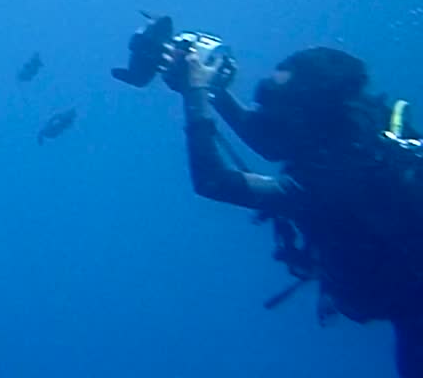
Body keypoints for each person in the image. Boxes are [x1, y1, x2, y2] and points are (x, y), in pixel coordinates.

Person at [166, 46, 423, 377]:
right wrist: (214, 90)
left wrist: (195, 93)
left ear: (303, 111)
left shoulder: (327, 183)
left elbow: (214, 182)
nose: (265, 109)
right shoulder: (354, 120)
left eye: (274, 101)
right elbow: (271, 141)